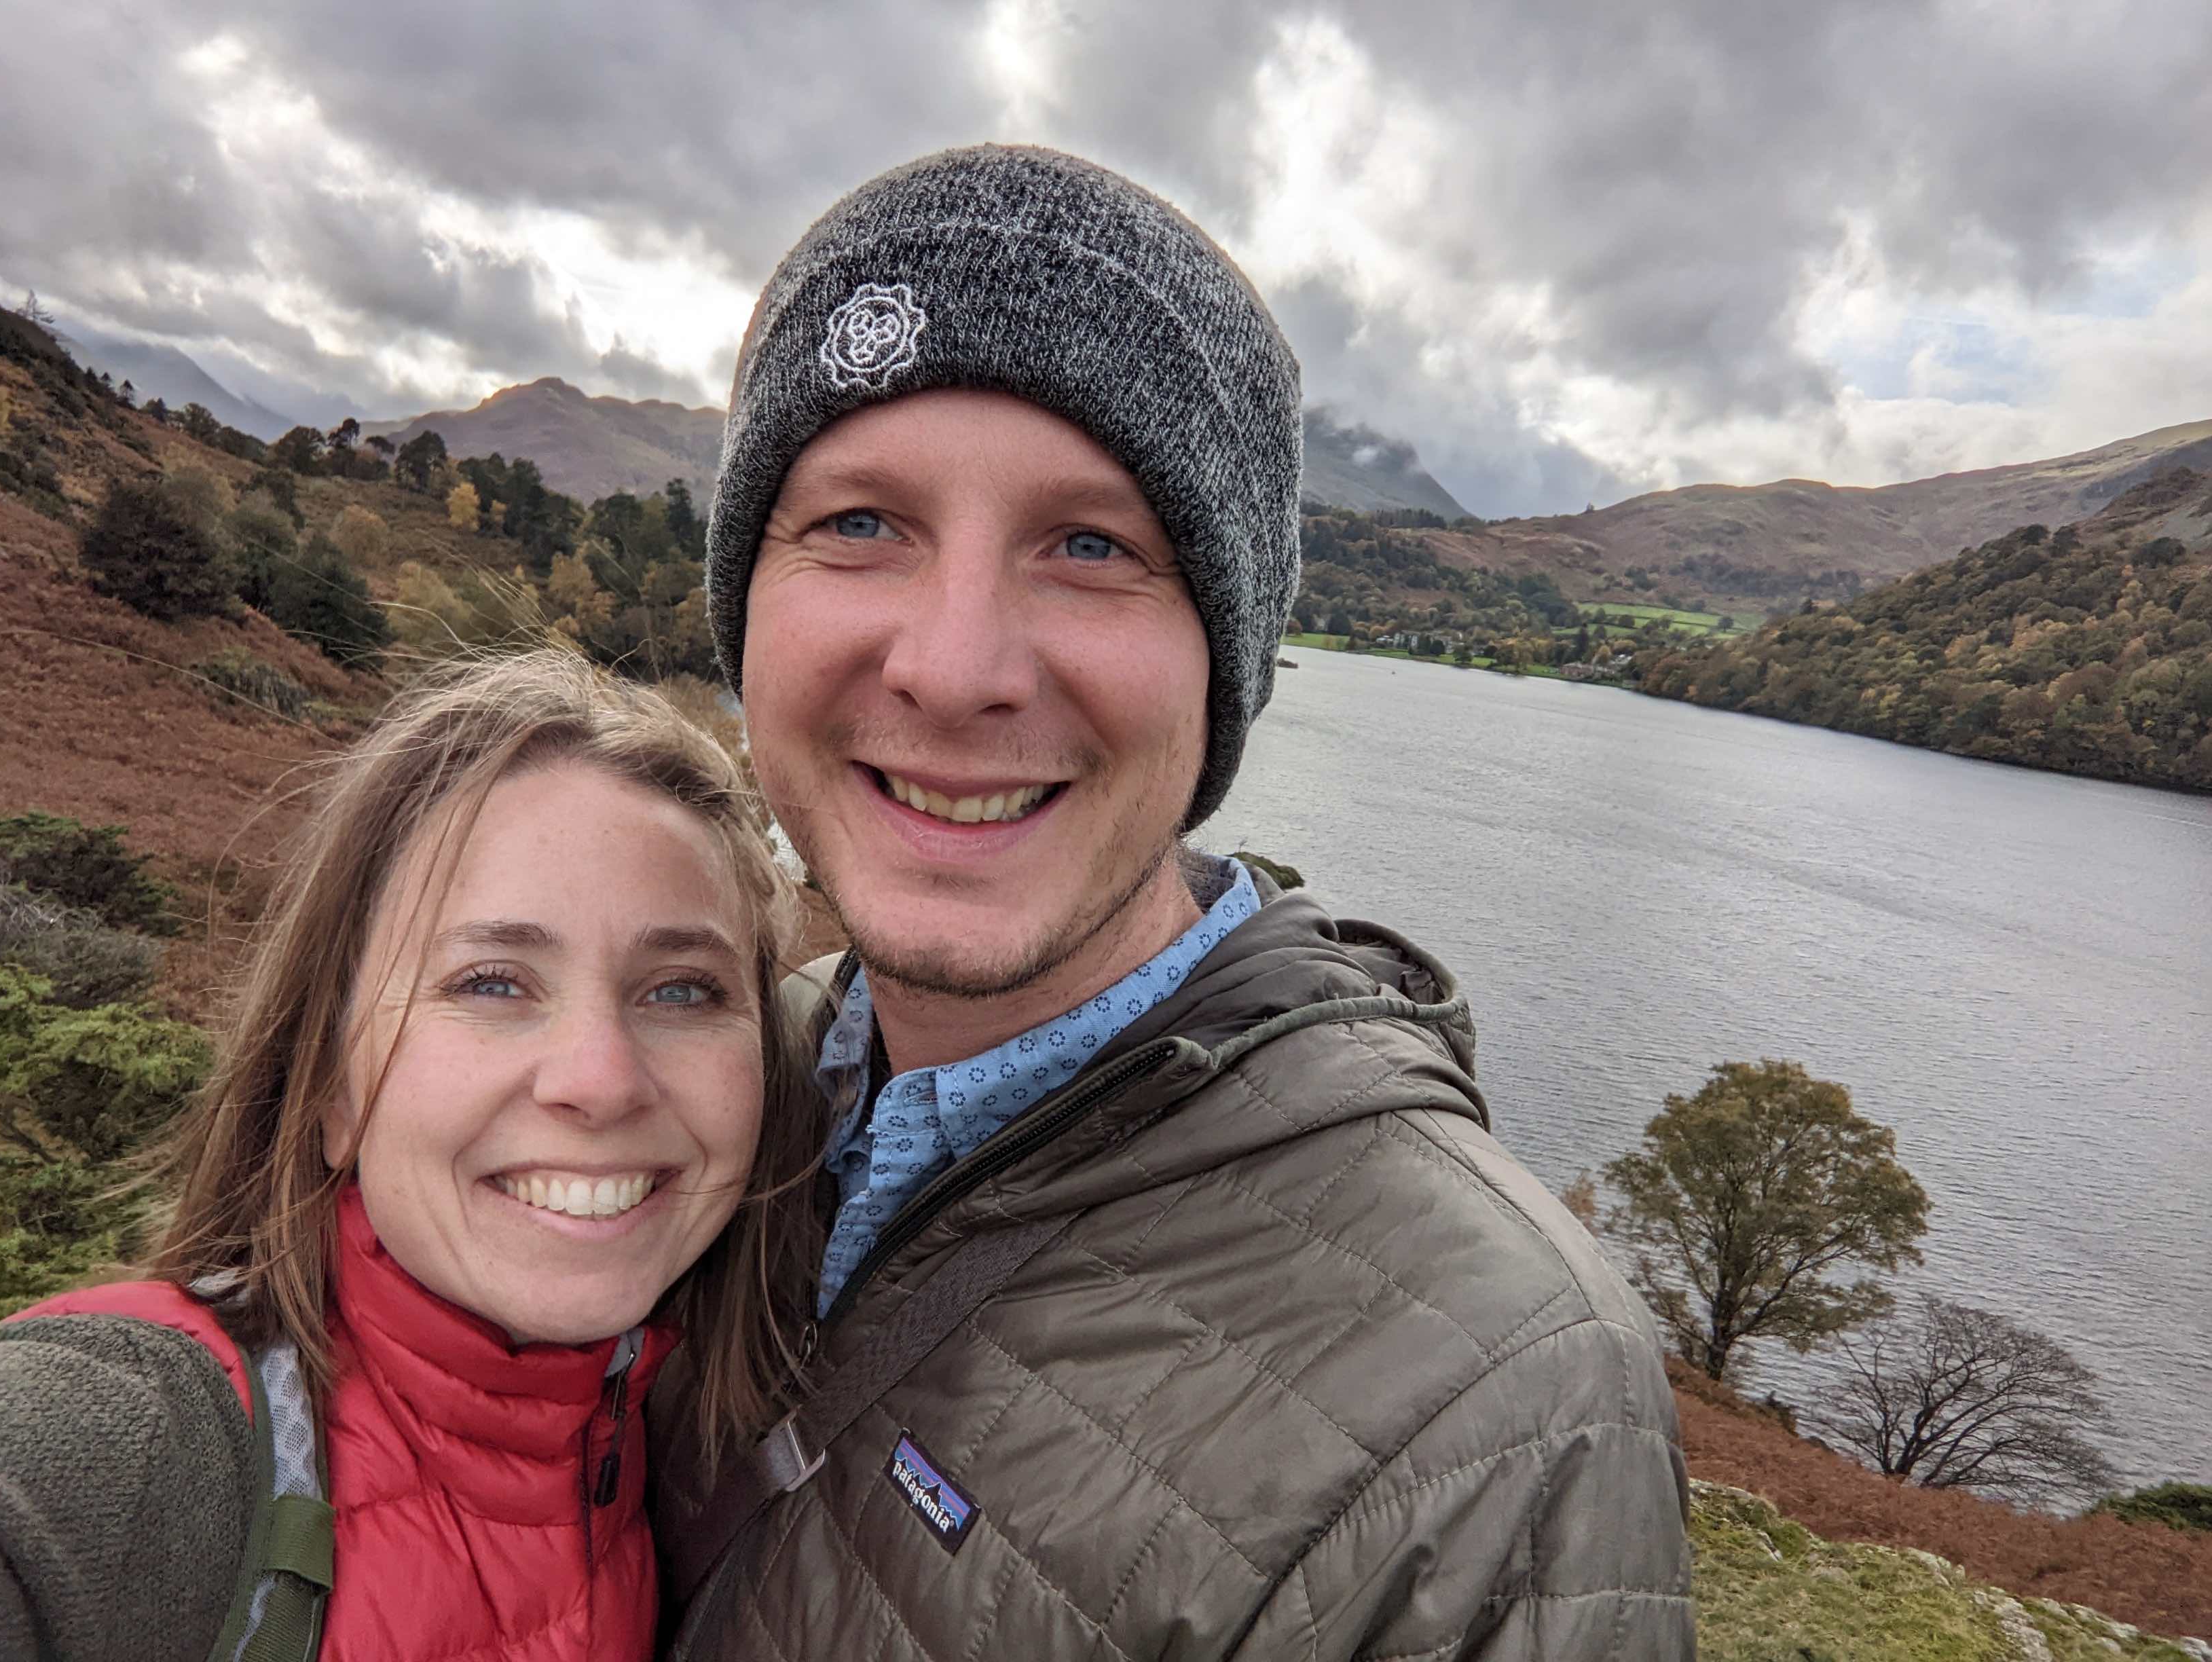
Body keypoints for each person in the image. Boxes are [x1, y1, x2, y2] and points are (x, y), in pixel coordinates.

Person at [657, 145, 1693, 1658]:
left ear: (1224, 675)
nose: (954, 666)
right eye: (860, 523)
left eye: (1092, 547)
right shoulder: (724, 1081)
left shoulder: (1503, 1408)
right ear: (746, 608)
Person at [0, 650, 822, 1661]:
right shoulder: (127, 1444)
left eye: (683, 990)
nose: (601, 1080)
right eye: (491, 982)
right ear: (333, 1088)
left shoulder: (672, 1457)